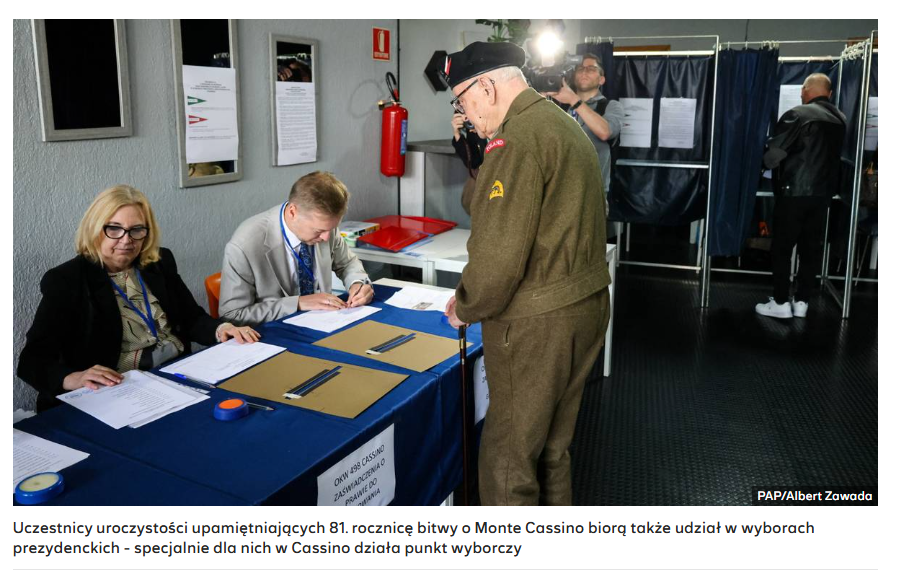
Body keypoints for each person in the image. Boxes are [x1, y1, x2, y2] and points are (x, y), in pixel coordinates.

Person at [442, 41, 612, 506]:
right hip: (584, 304)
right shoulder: (559, 121)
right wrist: (477, 157)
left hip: (539, 321)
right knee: (551, 450)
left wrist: (466, 305)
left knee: (508, 460)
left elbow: (499, 255)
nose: (464, 111)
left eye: (462, 99)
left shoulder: (515, 139)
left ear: (487, 87)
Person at [17, 185, 259, 412]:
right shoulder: (67, 280)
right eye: (113, 228)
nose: (126, 239)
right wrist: (73, 378)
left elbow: (191, 318)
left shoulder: (158, 262)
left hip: (174, 377)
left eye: (136, 230)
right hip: (117, 393)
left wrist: (222, 329)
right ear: (94, 228)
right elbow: (32, 361)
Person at [219, 171, 373, 326]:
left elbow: (347, 264)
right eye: (319, 231)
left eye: (332, 229)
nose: (326, 238)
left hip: (325, 323)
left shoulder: (326, 227)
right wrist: (298, 303)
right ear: (293, 212)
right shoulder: (244, 245)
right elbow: (232, 314)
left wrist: (357, 283)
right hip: (272, 335)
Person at [755, 73, 846, 319]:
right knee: (810, 249)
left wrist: (759, 163)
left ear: (806, 90)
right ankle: (802, 301)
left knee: (783, 248)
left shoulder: (798, 114)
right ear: (829, 93)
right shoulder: (840, 119)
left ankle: (781, 302)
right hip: (822, 196)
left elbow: (774, 155)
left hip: (793, 192)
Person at [544, 53, 624, 197]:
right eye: (580, 68)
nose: (584, 71)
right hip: (558, 190)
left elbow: (605, 132)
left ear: (602, 79)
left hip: (591, 191)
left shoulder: (611, 106)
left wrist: (574, 100)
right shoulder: (561, 106)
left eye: (591, 69)